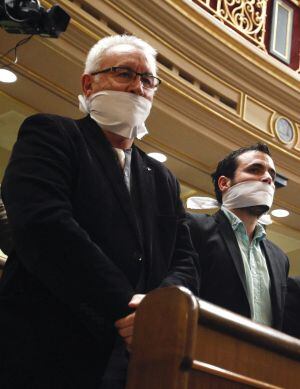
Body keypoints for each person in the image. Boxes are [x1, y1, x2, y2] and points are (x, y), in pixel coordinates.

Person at [0, 34, 199, 389]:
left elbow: (184, 260)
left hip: (137, 360)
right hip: (49, 348)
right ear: (88, 84)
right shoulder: (52, 134)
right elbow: (44, 226)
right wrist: (125, 306)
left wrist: (155, 315)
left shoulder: (163, 178)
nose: (137, 88)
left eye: (147, 80)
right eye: (123, 74)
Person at [188, 143, 289, 330]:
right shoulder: (194, 228)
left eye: (272, 175)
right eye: (255, 169)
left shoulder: (280, 258)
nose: (267, 178)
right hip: (205, 351)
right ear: (224, 183)